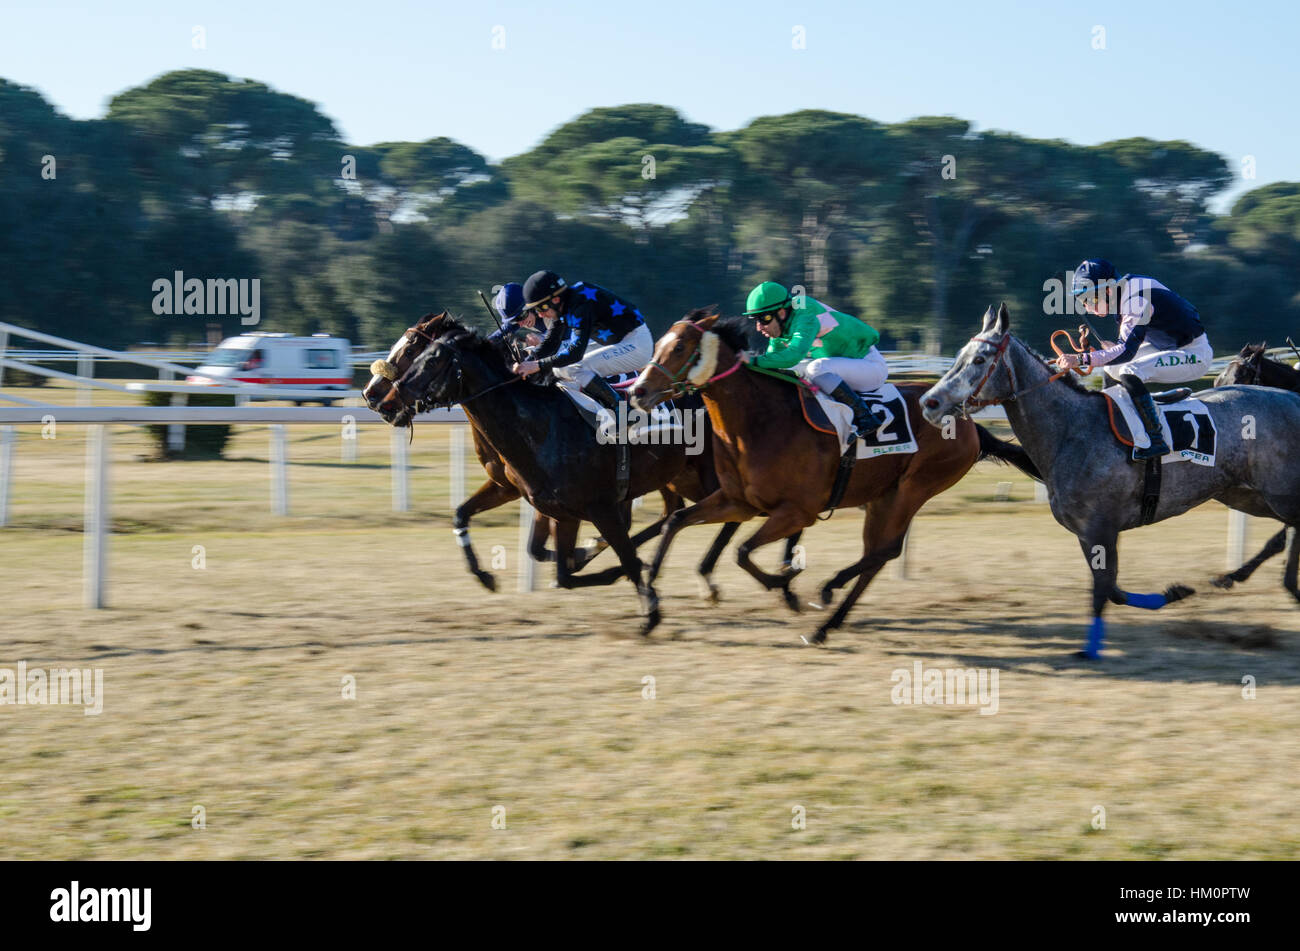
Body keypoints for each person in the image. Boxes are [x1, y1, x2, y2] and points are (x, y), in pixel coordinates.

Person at [1056, 259, 1212, 459]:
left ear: (1109, 290)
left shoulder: (1136, 299)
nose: (1087, 307)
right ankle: (1113, 425)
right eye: (1082, 301)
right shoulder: (1123, 294)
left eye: (1090, 300)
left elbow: (1126, 352)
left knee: (1129, 370)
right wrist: (1099, 355)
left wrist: (1080, 359)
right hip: (1166, 346)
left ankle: (1155, 439)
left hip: (1194, 354)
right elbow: (1122, 348)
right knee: (1112, 369)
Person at [740, 281, 887, 438]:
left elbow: (793, 355)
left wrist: (753, 360)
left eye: (764, 319)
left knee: (814, 369)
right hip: (845, 369)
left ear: (781, 312)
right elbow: (774, 361)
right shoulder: (782, 326)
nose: (759, 327)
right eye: (755, 320)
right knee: (797, 370)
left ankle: (866, 417)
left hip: (870, 367)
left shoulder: (805, 313)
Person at [511, 270, 653, 410]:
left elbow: (575, 353)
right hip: (620, 342)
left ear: (555, 299)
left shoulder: (580, 304)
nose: (540, 315)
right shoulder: (564, 306)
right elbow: (550, 343)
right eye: (535, 310)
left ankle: (622, 411)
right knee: (559, 371)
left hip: (637, 345)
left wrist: (538, 365)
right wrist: (527, 363)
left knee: (574, 368)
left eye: (541, 308)